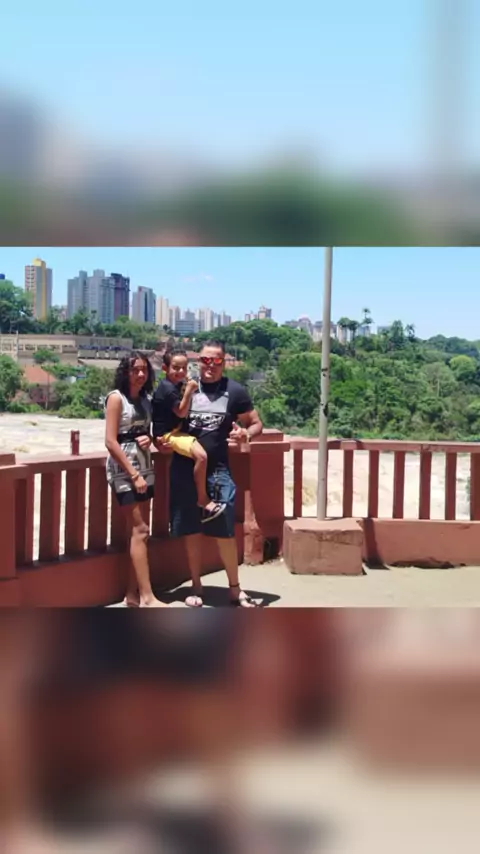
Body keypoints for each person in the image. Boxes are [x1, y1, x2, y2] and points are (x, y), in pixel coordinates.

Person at [168, 340, 263, 608]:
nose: (210, 365)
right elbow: (164, 419)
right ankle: (196, 586)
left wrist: (245, 434)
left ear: (224, 362)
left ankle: (235, 589)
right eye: (205, 360)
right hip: (184, 467)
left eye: (216, 361)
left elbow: (256, 423)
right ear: (198, 362)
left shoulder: (235, 391)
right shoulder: (184, 387)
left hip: (218, 470)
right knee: (191, 530)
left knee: (225, 532)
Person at [105, 351, 166, 608]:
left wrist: (149, 439)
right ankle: (148, 597)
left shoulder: (146, 400)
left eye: (144, 369)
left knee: (138, 534)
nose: (140, 374)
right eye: (135, 369)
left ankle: (132, 595)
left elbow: (147, 433)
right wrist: (133, 474)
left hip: (145, 465)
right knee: (141, 530)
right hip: (125, 470)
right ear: (125, 372)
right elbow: (110, 441)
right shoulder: (116, 398)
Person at [152, 347, 226, 523]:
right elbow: (181, 412)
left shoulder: (173, 384)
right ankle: (203, 499)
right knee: (201, 456)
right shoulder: (167, 388)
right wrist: (190, 390)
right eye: (176, 368)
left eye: (184, 368)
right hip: (168, 435)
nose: (181, 372)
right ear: (165, 368)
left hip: (175, 431)